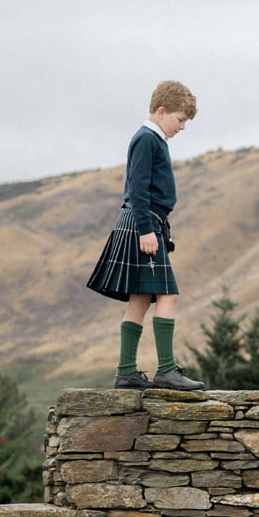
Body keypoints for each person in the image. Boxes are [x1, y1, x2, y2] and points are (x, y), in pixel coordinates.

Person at [86, 80, 206, 391]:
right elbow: (137, 188)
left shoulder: (154, 140)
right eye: (180, 120)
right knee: (168, 295)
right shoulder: (146, 139)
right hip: (143, 224)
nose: (182, 127)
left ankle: (126, 372)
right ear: (162, 111)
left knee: (140, 300)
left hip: (146, 223)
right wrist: (146, 230)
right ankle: (166, 370)